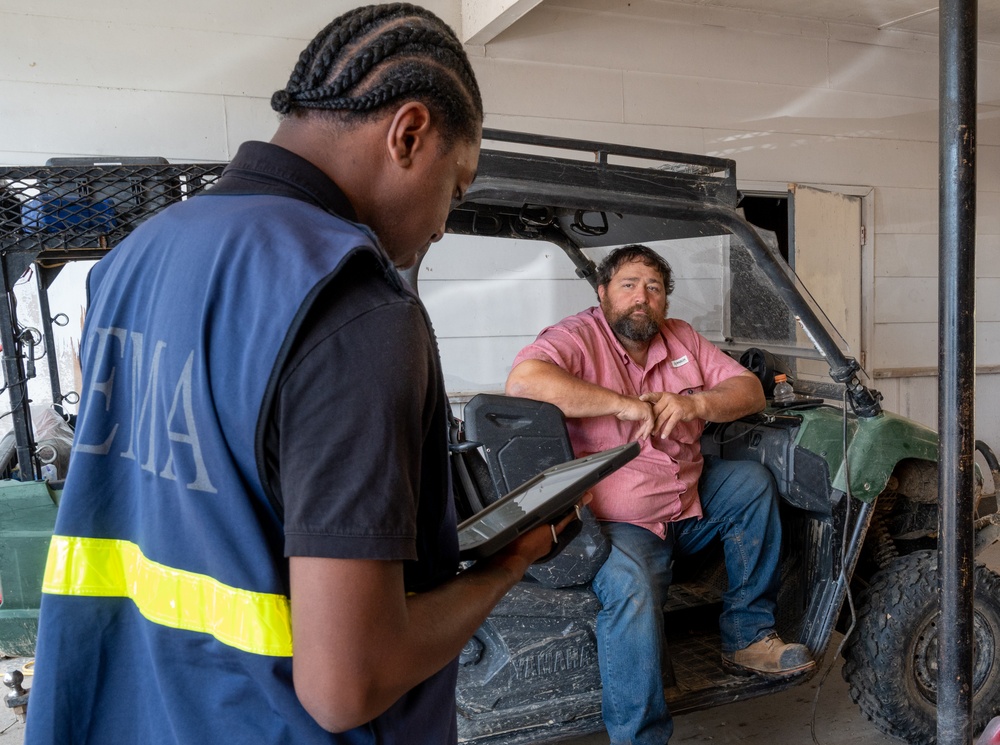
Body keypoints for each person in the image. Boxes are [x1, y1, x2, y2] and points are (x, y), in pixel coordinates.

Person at [25, 5, 577, 744]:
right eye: (458, 185)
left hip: (143, 712)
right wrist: (505, 568)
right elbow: (348, 684)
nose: (446, 221)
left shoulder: (137, 257)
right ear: (409, 135)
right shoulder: (355, 305)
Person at [505, 244, 815, 744]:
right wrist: (621, 406)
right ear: (603, 292)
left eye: (653, 288)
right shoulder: (577, 337)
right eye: (628, 285)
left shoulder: (682, 338)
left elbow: (750, 390)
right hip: (616, 519)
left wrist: (697, 405)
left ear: (665, 300)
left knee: (752, 484)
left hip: (685, 499)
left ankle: (747, 637)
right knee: (630, 587)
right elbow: (524, 382)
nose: (641, 297)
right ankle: (641, 737)